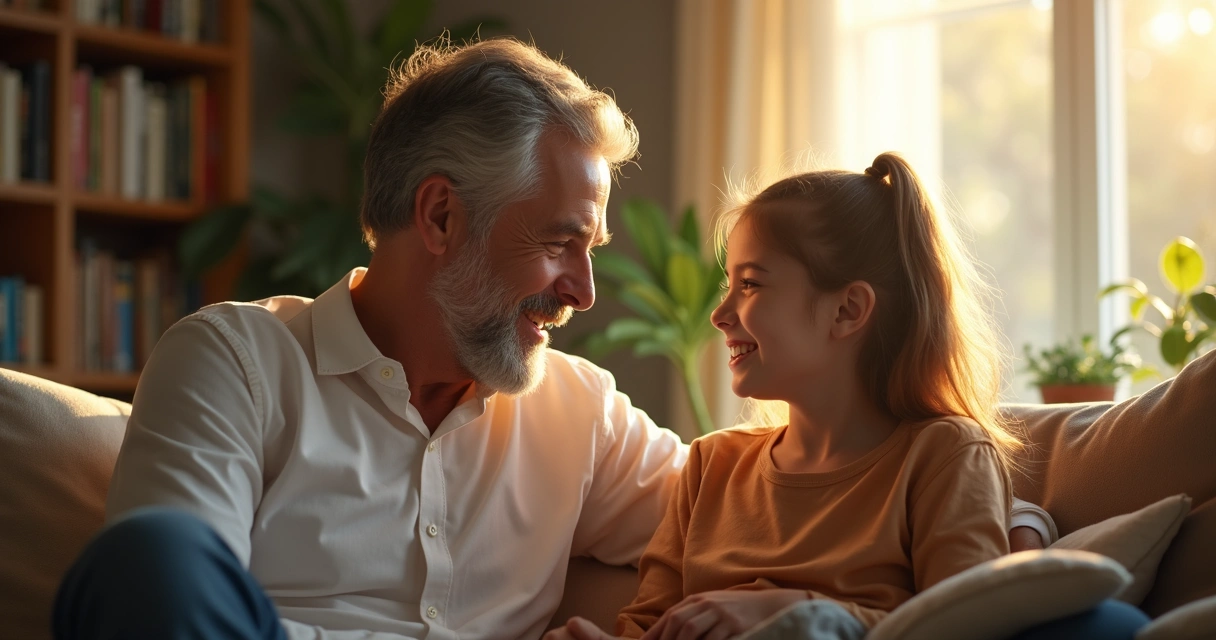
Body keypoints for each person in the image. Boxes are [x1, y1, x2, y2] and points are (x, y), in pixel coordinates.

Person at [51, 38, 688, 640]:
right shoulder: (236, 361)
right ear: (441, 216)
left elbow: (750, 514)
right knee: (149, 555)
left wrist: (768, 597)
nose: (584, 291)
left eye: (590, 249)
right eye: (559, 243)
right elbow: (163, 596)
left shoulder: (582, 412)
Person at [549, 155, 1150, 640]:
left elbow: (961, 627)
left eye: (751, 284)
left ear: (848, 310)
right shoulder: (712, 465)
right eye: (728, 285)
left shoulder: (942, 456)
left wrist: (798, 613)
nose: (720, 313)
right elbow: (645, 629)